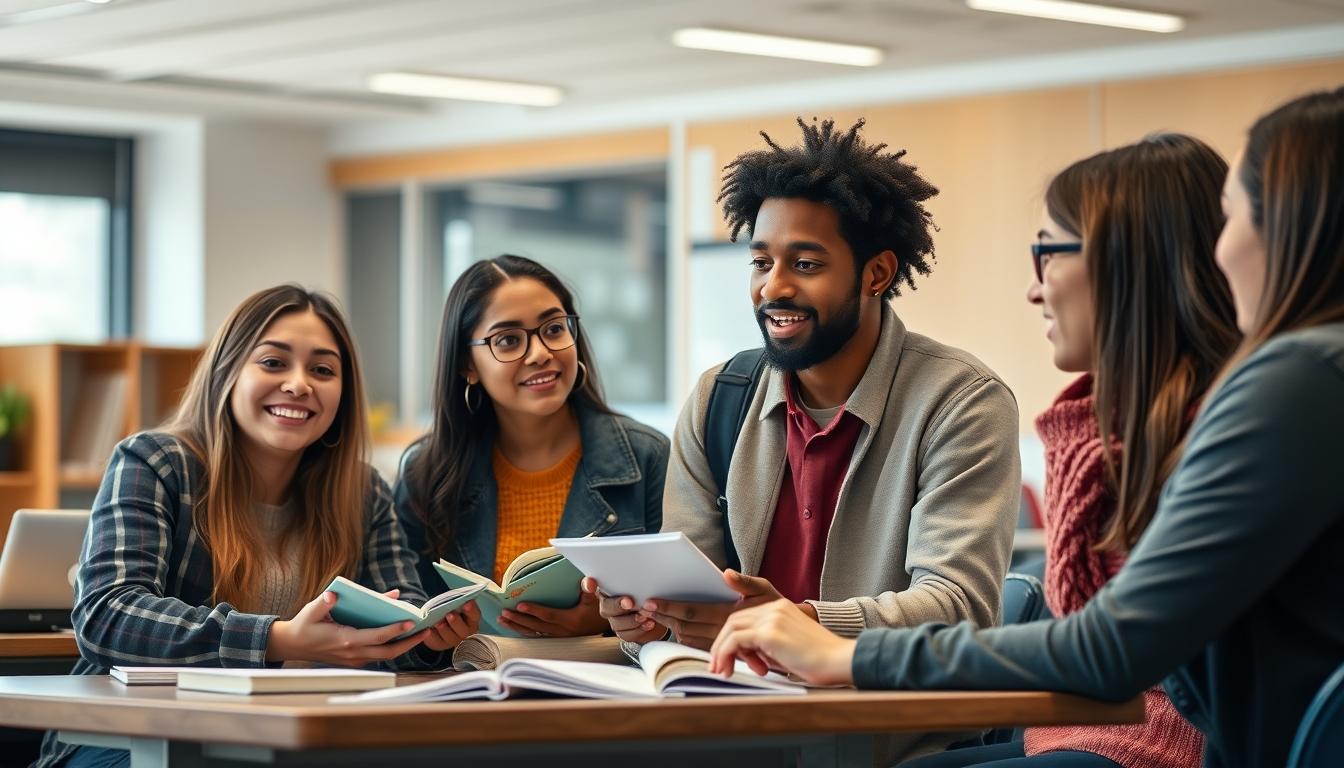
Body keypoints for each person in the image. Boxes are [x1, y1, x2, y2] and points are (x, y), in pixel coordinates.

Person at [709, 87, 1344, 768]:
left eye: (1230, 218)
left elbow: (1113, 650)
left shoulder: (1298, 380)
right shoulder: (1292, 380)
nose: (1217, 253)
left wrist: (846, 651)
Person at [591, 117, 1022, 758]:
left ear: (876, 274)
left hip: (889, 749)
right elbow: (690, 607)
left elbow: (957, 609)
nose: (774, 287)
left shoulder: (961, 402)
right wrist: (645, 622)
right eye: (762, 261)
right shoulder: (719, 399)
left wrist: (802, 624)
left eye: (807, 263)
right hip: (734, 739)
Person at [924, 133, 1241, 768]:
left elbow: (1116, 655)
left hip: (1160, 748)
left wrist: (844, 651)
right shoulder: (1095, 431)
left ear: (1129, 264)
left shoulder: (1216, 434)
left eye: (1048, 256)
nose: (1033, 291)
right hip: (1080, 734)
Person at [40, 285, 457, 768]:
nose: (300, 384)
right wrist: (277, 639)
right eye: (274, 362)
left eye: (322, 370)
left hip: (292, 735)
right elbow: (107, 615)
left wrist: (425, 636)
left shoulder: (362, 491)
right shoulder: (154, 462)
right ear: (228, 372)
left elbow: (399, 604)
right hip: (134, 738)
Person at [396, 255, 668, 643]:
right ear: (466, 365)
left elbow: (682, 621)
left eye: (554, 329)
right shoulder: (426, 474)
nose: (540, 352)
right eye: (508, 340)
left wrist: (608, 626)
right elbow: (400, 617)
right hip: (472, 692)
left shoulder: (648, 457)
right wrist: (429, 642)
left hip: (602, 695)